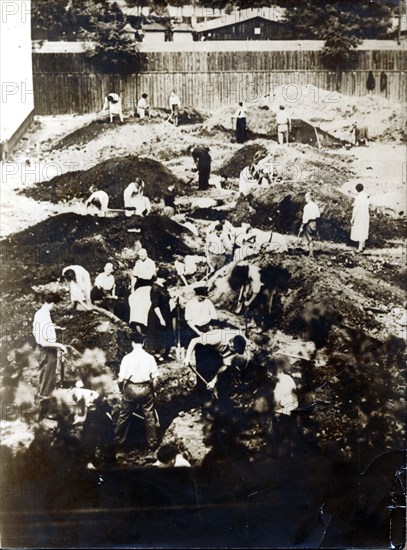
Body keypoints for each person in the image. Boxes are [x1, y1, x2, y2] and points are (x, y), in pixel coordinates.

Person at [114, 332, 159, 451]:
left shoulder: (127, 358)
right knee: (149, 416)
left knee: (124, 416)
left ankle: (118, 441)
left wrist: (122, 391)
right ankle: (153, 443)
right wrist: (153, 391)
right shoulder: (150, 358)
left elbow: (120, 379)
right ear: (143, 343)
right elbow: (155, 379)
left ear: (132, 343)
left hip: (130, 389)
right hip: (145, 388)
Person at [32, 293, 67, 420]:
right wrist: (60, 345)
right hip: (47, 351)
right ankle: (43, 414)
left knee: (46, 379)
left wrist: (54, 327)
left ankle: (44, 410)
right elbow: (43, 341)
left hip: (45, 350)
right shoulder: (44, 315)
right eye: (55, 305)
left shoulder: (41, 313)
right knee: (47, 381)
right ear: (53, 304)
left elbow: (41, 330)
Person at [184, 329, 249, 394]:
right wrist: (187, 357)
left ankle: (217, 393)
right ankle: (203, 395)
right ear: (231, 343)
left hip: (216, 350)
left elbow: (224, 366)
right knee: (204, 369)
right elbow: (194, 341)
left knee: (218, 370)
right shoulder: (216, 337)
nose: (234, 352)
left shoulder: (234, 349)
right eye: (234, 350)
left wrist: (213, 382)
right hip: (202, 345)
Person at [146, 270, 174, 362]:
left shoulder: (163, 286)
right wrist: (161, 319)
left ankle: (166, 353)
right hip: (157, 314)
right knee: (157, 333)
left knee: (167, 332)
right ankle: (157, 353)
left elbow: (166, 297)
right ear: (163, 278)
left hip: (166, 312)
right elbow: (155, 305)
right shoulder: (155, 288)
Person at [129, 249, 156, 331]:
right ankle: (135, 322)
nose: (141, 257)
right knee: (133, 299)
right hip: (139, 286)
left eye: (142, 256)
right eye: (139, 256)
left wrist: (139, 275)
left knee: (145, 303)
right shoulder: (138, 263)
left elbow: (149, 276)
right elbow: (134, 275)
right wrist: (132, 287)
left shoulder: (151, 263)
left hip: (148, 285)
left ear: (146, 254)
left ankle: (144, 323)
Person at [298, 192, 320, 257]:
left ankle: (311, 254)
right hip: (314, 223)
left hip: (309, 223)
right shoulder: (315, 205)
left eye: (306, 197)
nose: (305, 199)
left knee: (309, 238)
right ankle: (311, 252)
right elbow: (318, 215)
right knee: (311, 238)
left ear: (309, 197)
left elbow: (305, 218)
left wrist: (301, 226)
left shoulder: (307, 206)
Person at [350, 183, 370, 253]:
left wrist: (352, 218)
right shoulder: (366, 196)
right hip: (366, 214)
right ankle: (363, 245)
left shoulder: (358, 197)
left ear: (357, 190)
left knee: (360, 229)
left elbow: (356, 209)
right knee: (364, 228)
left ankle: (360, 247)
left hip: (359, 215)